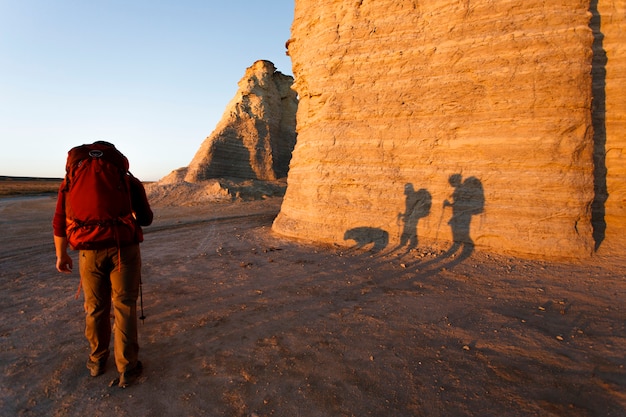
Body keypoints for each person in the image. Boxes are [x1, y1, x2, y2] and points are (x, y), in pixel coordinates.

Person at [52, 141, 153, 388]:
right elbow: (147, 219)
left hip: (88, 251)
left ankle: (97, 361)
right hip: (123, 250)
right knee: (124, 306)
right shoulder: (129, 181)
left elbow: (59, 222)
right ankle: (127, 368)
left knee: (96, 307)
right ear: (117, 162)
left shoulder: (69, 183)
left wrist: (61, 255)